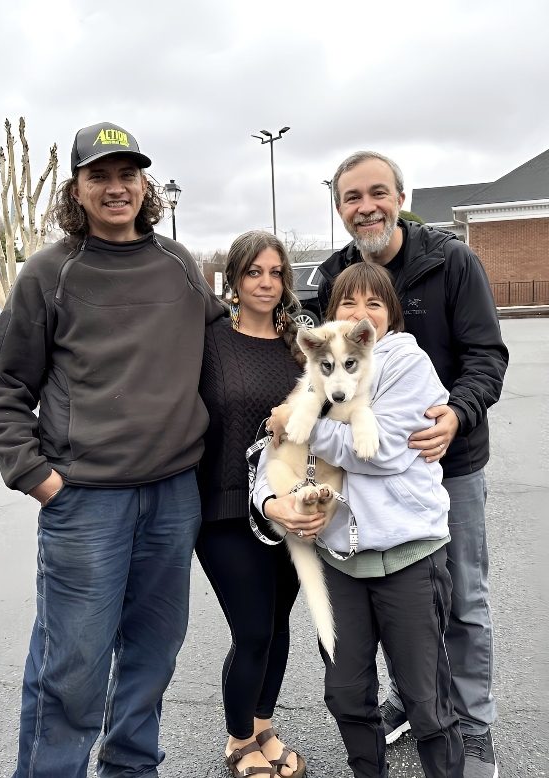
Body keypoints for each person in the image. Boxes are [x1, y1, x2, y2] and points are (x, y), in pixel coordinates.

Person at [0, 121, 225, 778]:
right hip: (86, 501)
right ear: (77, 189)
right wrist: (34, 474)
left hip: (173, 496)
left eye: (128, 175)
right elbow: (3, 380)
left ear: (145, 186)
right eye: (100, 176)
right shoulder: (50, 272)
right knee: (72, 668)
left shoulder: (179, 265)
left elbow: (227, 350)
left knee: (153, 654)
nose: (116, 188)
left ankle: (131, 768)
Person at [317, 151, 509, 778]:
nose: (366, 207)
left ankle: (472, 728)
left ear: (401, 198)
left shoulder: (451, 262)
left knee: (462, 600)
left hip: (448, 457)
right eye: (352, 197)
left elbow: (486, 355)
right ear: (339, 207)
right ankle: (413, 699)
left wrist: (458, 412)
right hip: (370, 472)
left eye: (378, 192)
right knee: (402, 606)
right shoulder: (335, 276)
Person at [256, 262, 464, 778]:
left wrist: (299, 423)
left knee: (425, 699)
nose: (360, 313)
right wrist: (270, 501)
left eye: (374, 303)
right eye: (348, 302)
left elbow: (383, 450)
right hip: (340, 558)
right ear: (331, 314)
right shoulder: (319, 368)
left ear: (388, 315)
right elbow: (272, 452)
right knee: (348, 693)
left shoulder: (407, 363)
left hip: (408, 554)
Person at [196, 230, 321, 778]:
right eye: (254, 272)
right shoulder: (210, 341)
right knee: (251, 631)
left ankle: (263, 726)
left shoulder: (299, 346)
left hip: (287, 508)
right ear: (234, 279)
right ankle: (238, 739)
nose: (266, 283)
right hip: (224, 507)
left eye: (275, 273)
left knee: (278, 625)